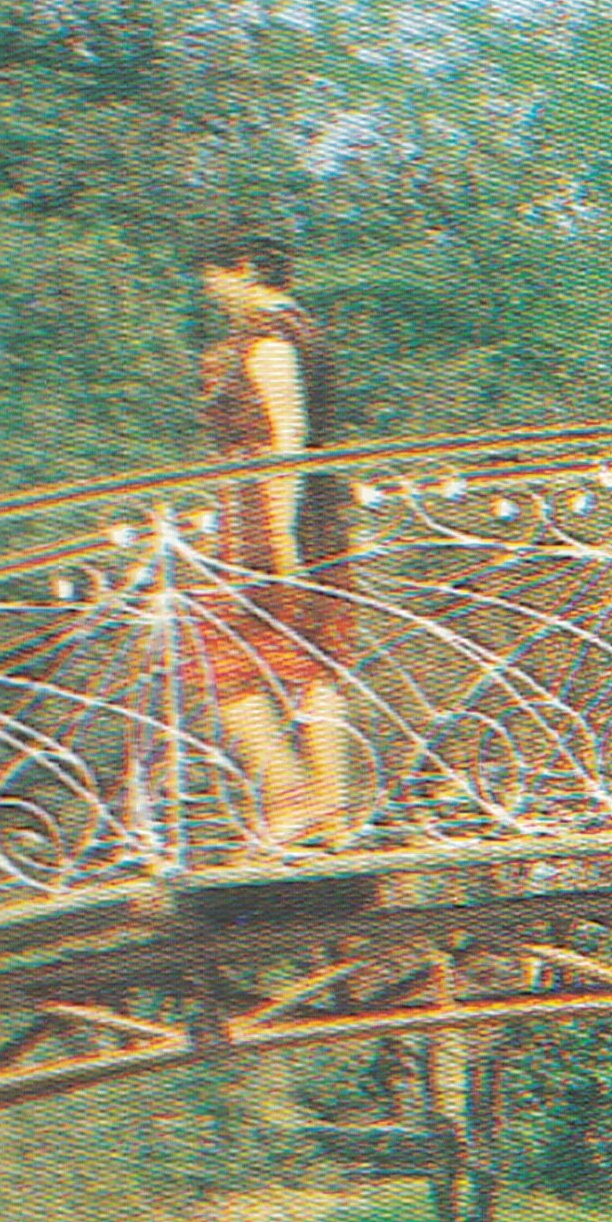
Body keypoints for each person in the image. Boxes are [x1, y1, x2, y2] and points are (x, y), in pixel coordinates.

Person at [182, 232, 368, 855]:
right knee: (309, 656)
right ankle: (331, 812)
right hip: (307, 518)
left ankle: (295, 799)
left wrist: (280, 532)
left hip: (264, 522)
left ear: (244, 269)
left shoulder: (269, 340)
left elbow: (288, 433)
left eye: (215, 275)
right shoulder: (298, 332)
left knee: (225, 660)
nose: (211, 290)